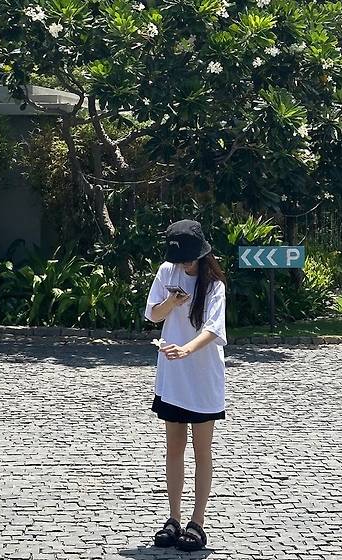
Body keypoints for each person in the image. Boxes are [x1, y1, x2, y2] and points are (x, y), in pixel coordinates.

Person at [144, 218, 227, 552]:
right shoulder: (167, 272)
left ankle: (197, 522)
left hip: (202, 376)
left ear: (202, 253)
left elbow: (213, 329)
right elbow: (153, 315)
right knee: (174, 447)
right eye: (181, 259)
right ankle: (174, 518)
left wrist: (186, 349)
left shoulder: (215, 285)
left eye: (190, 258)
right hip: (173, 376)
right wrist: (172, 303)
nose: (186, 264)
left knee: (201, 450)